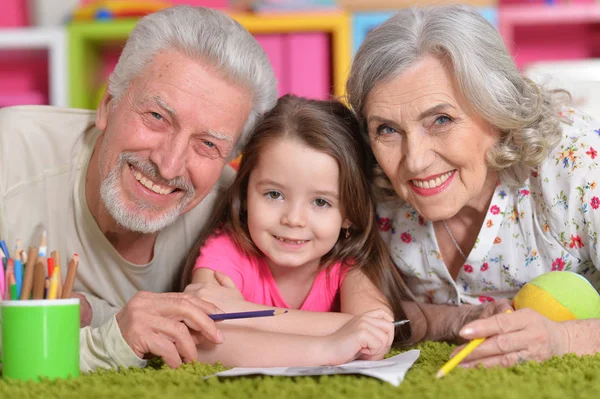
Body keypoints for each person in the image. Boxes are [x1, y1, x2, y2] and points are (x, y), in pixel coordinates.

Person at [0, 5, 277, 371]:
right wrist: (108, 342)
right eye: (157, 117)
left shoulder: (239, 212)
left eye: (208, 144)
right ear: (107, 106)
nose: (169, 164)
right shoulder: (10, 155)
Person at [346, 4, 600, 367]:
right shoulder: (368, 180)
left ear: (497, 110)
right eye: (387, 129)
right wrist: (455, 320)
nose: (414, 160)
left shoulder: (578, 166)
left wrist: (564, 338)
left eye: (441, 119)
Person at [180, 94, 411, 366]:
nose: (294, 219)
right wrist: (327, 348)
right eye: (274, 194)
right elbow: (200, 341)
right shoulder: (227, 252)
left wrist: (239, 312)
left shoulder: (351, 262)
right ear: (244, 195)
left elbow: (375, 335)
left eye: (321, 202)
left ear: (349, 214)